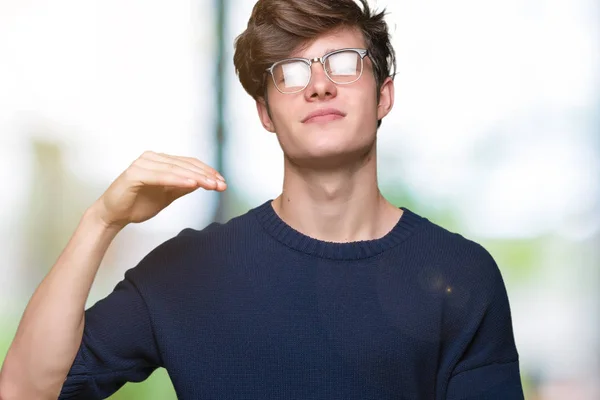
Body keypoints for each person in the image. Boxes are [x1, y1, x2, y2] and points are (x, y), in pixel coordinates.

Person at [0, 0, 524, 399]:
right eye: (291, 72)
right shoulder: (187, 271)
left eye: (342, 63)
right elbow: (23, 391)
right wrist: (101, 221)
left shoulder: (462, 274)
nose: (318, 85)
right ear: (265, 113)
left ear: (384, 93)